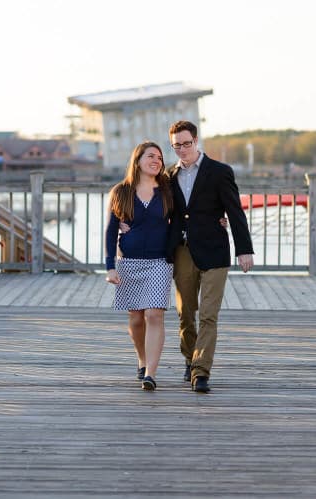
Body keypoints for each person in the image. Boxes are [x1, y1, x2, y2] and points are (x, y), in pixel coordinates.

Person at [166, 120, 254, 394]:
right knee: (185, 314)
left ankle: (201, 371)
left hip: (215, 251)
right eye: (176, 145)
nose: (182, 149)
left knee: (208, 314)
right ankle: (190, 358)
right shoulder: (168, 176)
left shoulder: (219, 172)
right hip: (182, 251)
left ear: (196, 140)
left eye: (186, 143)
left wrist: (244, 249)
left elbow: (235, 211)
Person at [105, 141, 174, 391]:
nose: (156, 160)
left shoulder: (167, 190)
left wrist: (218, 220)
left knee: (154, 314)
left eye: (159, 157)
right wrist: (109, 266)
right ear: (138, 160)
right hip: (129, 262)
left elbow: (188, 213)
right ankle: (142, 360)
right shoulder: (121, 192)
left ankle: (151, 374)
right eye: (150, 156)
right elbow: (112, 230)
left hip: (159, 262)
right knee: (136, 318)